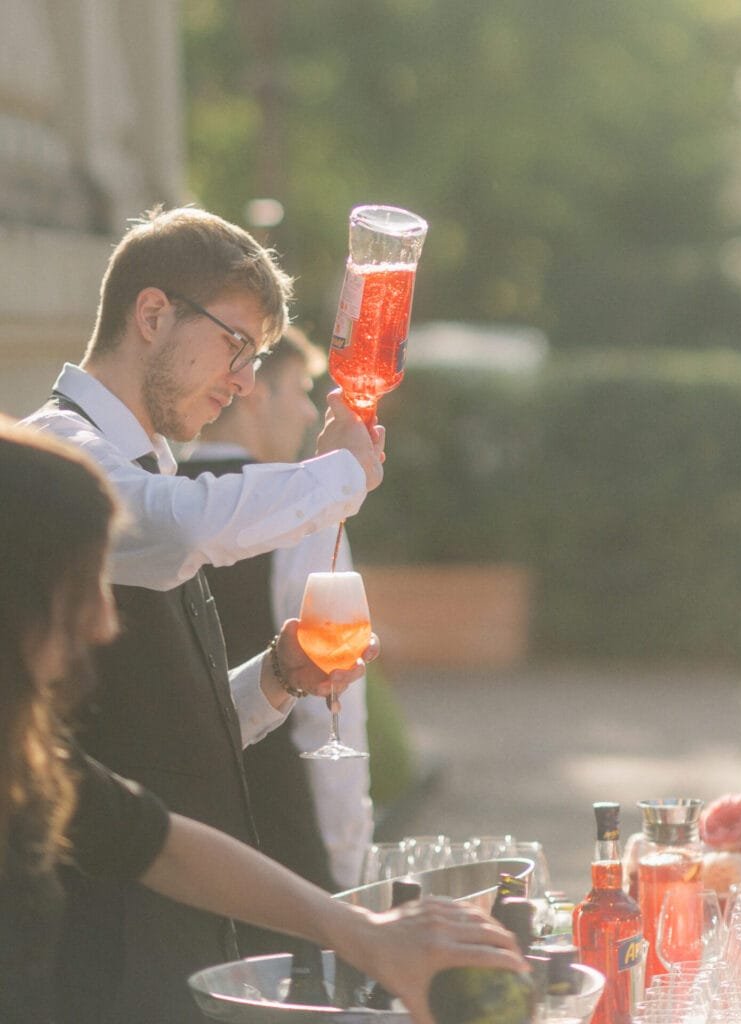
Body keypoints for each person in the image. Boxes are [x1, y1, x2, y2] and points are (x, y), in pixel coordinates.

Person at [0, 417, 526, 1024]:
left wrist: (364, 932)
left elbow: (160, 843)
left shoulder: (29, 754)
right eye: (81, 588)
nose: (103, 623)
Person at [22, 205, 385, 1022]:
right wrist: (340, 475)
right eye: (235, 344)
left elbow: (161, 730)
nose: (244, 381)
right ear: (152, 315)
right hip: (98, 948)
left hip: (174, 938)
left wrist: (279, 678)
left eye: (255, 357)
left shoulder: (143, 466)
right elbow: (179, 525)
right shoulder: (58, 456)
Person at [179, 326, 372, 907]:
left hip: (173, 839)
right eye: (300, 388)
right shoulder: (301, 510)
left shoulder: (148, 496)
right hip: (279, 846)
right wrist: (350, 864)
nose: (311, 410)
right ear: (254, 390)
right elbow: (331, 710)